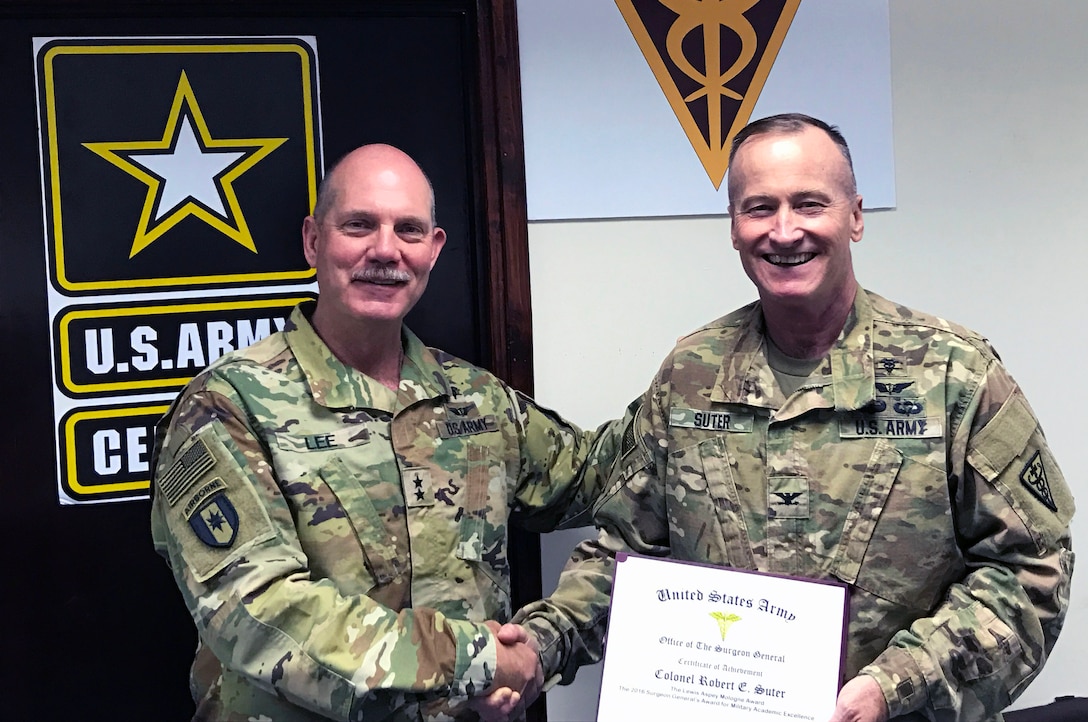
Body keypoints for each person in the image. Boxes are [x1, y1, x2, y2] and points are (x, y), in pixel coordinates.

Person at [516, 114, 1075, 721]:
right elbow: (628, 552)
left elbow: (1031, 572)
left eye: (809, 203)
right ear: (734, 228)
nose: (784, 232)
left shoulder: (951, 375)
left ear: (855, 216)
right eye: (759, 208)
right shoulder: (691, 374)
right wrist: (541, 645)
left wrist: (895, 686)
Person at [149, 143, 617, 721]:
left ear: (434, 250)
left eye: (409, 230)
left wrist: (700, 377)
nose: (385, 250)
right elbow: (258, 612)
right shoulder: (229, 406)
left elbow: (604, 473)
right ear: (313, 241)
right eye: (359, 225)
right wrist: (477, 659)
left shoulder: (474, 398)